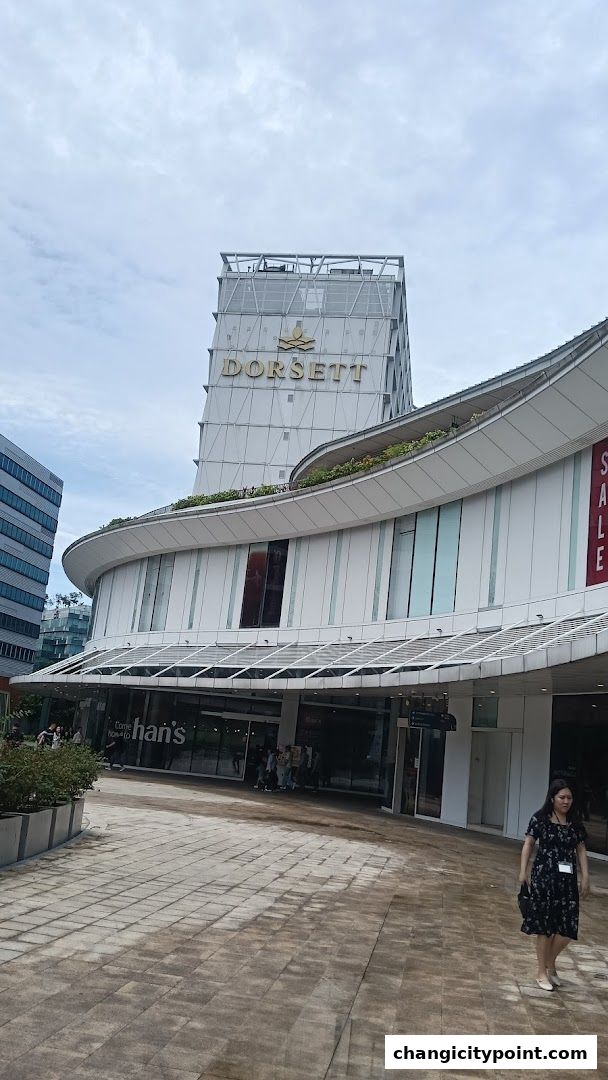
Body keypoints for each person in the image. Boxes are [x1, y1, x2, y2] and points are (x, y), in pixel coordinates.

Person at [519, 778, 590, 992]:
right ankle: (543, 971)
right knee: (545, 928)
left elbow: (581, 849)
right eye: (562, 797)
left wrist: (585, 876)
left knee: (567, 928)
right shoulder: (540, 819)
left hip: (567, 882)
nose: (566, 801)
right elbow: (529, 844)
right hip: (544, 878)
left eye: (569, 797)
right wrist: (523, 872)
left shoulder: (574, 823)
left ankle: (549, 962)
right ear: (552, 798)